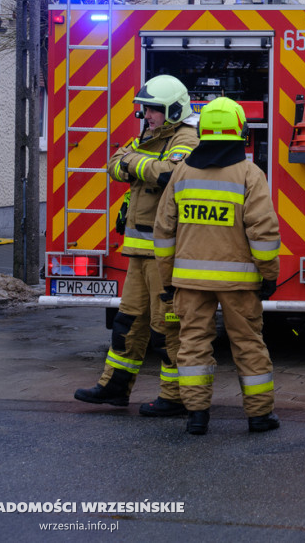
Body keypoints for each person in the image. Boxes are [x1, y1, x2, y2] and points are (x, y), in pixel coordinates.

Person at [153, 97, 281, 435]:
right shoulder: (250, 174)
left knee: (193, 343)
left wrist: (168, 279)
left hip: (189, 282)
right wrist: (269, 275)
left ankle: (197, 416)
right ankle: (259, 417)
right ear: (241, 129)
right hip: (239, 284)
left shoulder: (181, 171)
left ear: (202, 129)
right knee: (249, 345)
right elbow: (263, 232)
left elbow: (164, 231)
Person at [74, 75, 198, 415]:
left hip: (164, 253)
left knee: (166, 329)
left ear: (173, 110)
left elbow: (168, 174)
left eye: (154, 110)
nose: (147, 116)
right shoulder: (151, 136)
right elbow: (114, 164)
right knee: (128, 323)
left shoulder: (186, 138)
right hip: (140, 250)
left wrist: (132, 162)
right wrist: (132, 162)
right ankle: (114, 387)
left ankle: (174, 397)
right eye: (145, 110)